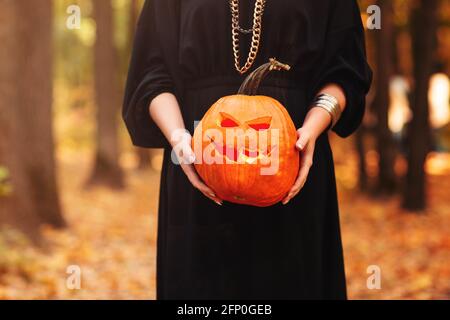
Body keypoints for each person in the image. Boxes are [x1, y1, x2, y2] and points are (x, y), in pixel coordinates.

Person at [123, 0, 372, 299]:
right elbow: (151, 73)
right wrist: (179, 139)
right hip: (198, 164)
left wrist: (312, 129)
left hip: (291, 165)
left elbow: (345, 71)